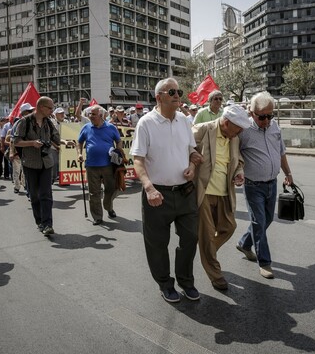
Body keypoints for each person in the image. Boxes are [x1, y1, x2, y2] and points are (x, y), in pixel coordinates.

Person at [131, 77, 203, 303]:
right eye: (171, 91)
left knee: (190, 238)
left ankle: (186, 281)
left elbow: (192, 151)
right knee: (157, 244)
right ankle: (165, 283)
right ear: (158, 97)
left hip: (185, 192)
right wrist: (149, 187)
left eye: (178, 91)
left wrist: (192, 165)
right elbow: (138, 159)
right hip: (157, 195)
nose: (176, 95)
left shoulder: (183, 120)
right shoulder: (146, 123)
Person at [235, 91, 294, 279]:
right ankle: (265, 262)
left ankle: (244, 243)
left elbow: (281, 152)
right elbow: (233, 154)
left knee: (267, 219)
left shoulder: (275, 127)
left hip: (272, 183)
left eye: (270, 115)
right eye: (262, 117)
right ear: (251, 113)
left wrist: (288, 173)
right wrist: (237, 172)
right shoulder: (243, 130)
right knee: (259, 223)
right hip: (253, 185)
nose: (267, 120)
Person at [192, 105, 249, 290]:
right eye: (238, 128)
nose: (240, 132)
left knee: (229, 227)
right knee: (207, 236)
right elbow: (184, 149)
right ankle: (216, 275)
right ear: (226, 123)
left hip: (225, 192)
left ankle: (207, 253)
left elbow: (238, 160)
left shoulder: (234, 138)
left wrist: (239, 172)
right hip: (204, 192)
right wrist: (192, 157)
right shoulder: (203, 130)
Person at [13, 97, 73, 236]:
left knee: (46, 194)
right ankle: (39, 221)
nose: (52, 111)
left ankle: (47, 224)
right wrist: (32, 143)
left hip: (46, 162)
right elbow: (16, 141)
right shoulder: (24, 122)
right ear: (40, 107)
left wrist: (64, 142)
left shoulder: (49, 122)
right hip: (30, 163)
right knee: (34, 195)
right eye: (50, 108)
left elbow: (55, 138)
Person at [77, 105, 123, 225]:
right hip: (91, 165)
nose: (90, 116)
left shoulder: (111, 127)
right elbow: (79, 142)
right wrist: (79, 154)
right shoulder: (86, 127)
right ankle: (97, 216)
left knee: (111, 189)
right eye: (90, 114)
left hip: (108, 165)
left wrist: (118, 151)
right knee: (94, 193)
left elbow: (119, 140)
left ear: (101, 115)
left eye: (93, 114)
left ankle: (108, 206)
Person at [51, 107, 67, 183]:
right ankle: (53, 177)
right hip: (53, 147)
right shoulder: (52, 123)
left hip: (65, 147)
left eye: (63, 113)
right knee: (54, 163)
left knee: (63, 164)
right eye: (60, 113)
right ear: (56, 114)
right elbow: (50, 137)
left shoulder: (67, 122)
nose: (62, 115)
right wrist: (56, 146)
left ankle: (63, 179)